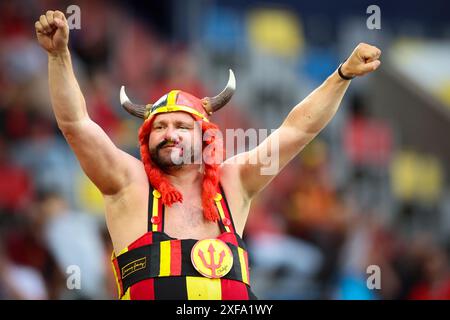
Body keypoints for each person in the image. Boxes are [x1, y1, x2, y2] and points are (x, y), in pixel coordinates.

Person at [34, 10, 381, 300]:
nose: (169, 134)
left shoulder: (234, 182)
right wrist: (59, 56)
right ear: (145, 138)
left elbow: (297, 131)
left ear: (204, 138)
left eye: (182, 127)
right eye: (159, 127)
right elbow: (75, 125)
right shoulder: (129, 184)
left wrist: (343, 75)